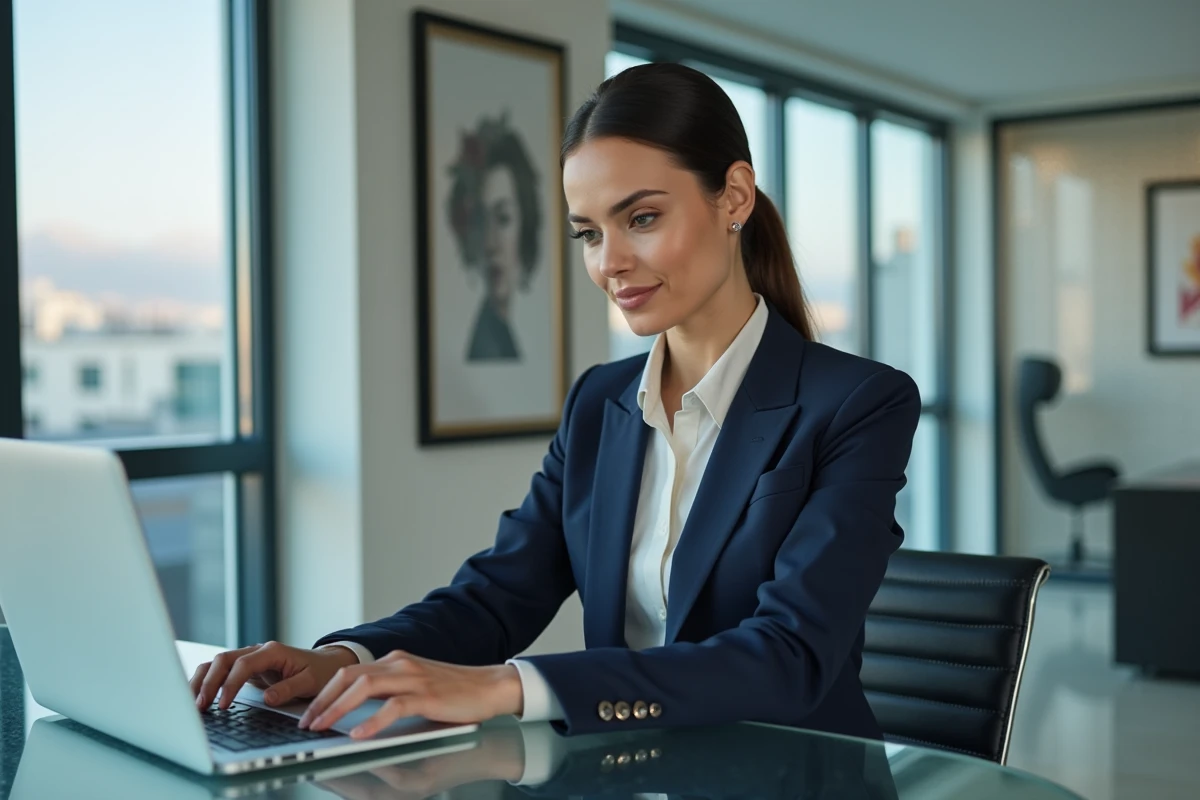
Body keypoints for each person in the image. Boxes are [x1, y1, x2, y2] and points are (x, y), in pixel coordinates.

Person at [191, 62, 920, 746]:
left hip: (796, 774)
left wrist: (511, 687)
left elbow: (787, 657)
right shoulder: (601, 402)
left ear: (733, 197)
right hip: (630, 772)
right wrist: (346, 658)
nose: (610, 263)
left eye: (641, 219)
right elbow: (499, 594)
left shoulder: (857, 404)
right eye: (589, 234)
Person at [447, 111, 543, 362]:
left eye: (503, 219)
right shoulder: (487, 343)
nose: (490, 243)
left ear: (525, 223)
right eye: (481, 221)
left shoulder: (502, 334)